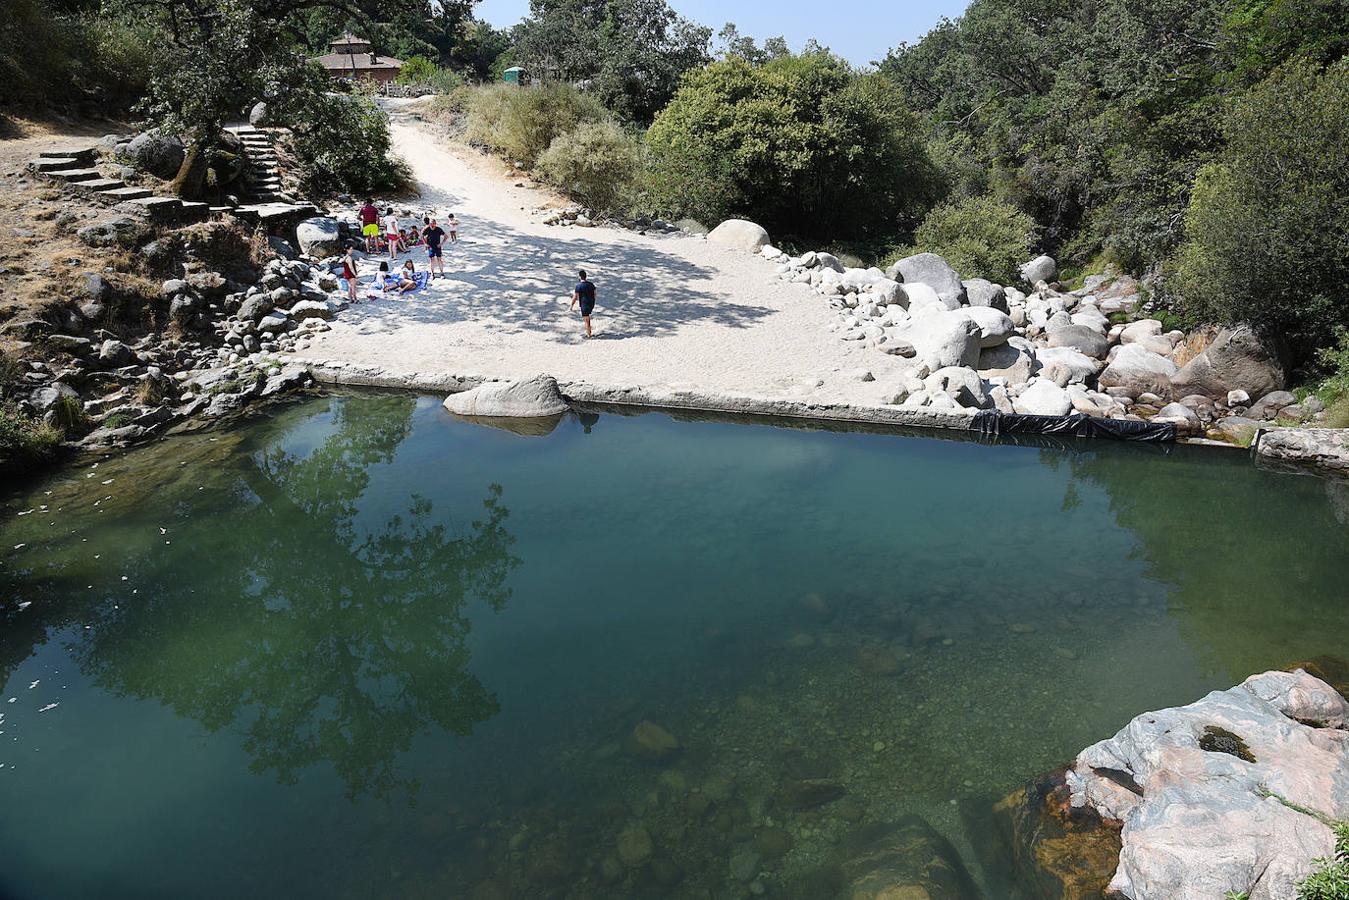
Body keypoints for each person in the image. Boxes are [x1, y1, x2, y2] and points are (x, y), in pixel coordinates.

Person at [570, 269, 597, 339]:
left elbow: (575, 297)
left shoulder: (578, 286)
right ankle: (589, 330)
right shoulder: (591, 285)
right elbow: (595, 294)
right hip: (591, 304)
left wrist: (571, 305)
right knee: (587, 318)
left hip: (584, 304)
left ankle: (589, 334)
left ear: (580, 277)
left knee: (586, 320)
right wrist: (593, 302)